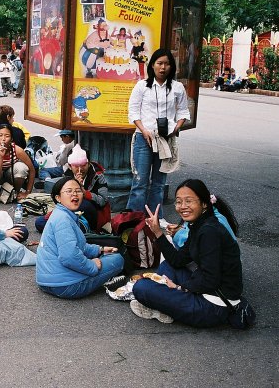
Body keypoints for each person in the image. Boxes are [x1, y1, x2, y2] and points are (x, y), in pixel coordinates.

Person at [130, 179, 243, 327]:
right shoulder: (200, 224)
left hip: (214, 306)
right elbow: (178, 260)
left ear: (204, 203)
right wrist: (157, 232)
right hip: (208, 290)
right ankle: (165, 304)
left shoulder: (209, 232)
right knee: (168, 265)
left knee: (141, 288)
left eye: (189, 201)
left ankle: (164, 304)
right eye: (178, 202)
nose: (182, 206)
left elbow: (211, 280)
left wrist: (180, 288)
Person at [126, 48, 190, 218]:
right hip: (144, 138)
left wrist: (176, 128)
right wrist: (143, 130)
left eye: (166, 64)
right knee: (140, 182)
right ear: (152, 65)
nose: (163, 67)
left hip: (165, 139)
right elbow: (133, 112)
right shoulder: (142, 86)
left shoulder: (177, 87)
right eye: (159, 63)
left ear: (171, 67)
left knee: (159, 184)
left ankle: (156, 220)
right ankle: (134, 221)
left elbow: (183, 111)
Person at [36, 176, 123, 299]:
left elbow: (78, 246)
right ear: (58, 198)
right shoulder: (63, 219)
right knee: (117, 259)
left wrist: (100, 250)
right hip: (66, 286)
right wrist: (92, 265)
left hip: (47, 281)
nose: (74, 194)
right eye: (69, 191)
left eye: (78, 191)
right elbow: (69, 257)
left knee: (105, 255)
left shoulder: (62, 214)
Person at [0, 124, 35, 202]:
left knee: (21, 168)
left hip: (10, 176)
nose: (3, 139)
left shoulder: (17, 150)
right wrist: (1, 157)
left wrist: (28, 192)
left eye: (7, 136)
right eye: (0, 135)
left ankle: (16, 191)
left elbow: (32, 170)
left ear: (11, 139)